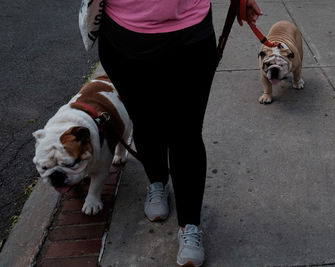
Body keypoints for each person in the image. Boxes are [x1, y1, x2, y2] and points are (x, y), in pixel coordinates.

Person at [98, 0, 261, 266]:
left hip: (190, 34)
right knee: (145, 121)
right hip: (123, 36)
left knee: (186, 133)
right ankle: (157, 182)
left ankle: (189, 225)